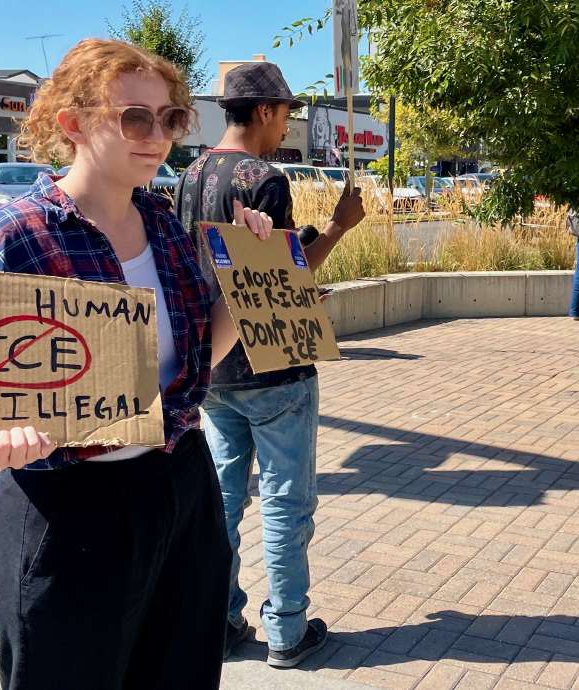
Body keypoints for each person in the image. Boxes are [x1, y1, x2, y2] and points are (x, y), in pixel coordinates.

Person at [0, 39, 274, 688]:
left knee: (181, 671)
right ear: (72, 123)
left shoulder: (164, 222)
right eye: (134, 117)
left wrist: (248, 277)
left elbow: (193, 365)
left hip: (179, 485)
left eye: (170, 118)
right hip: (66, 507)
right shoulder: (14, 237)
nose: (157, 136)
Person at [174, 61, 365, 668]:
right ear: (262, 112)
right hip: (273, 365)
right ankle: (287, 628)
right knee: (285, 502)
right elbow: (279, 278)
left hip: (213, 363)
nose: (287, 124)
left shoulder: (191, 173)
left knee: (225, 500)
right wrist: (336, 228)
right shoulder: (265, 179)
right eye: (285, 112)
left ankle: (221, 616)